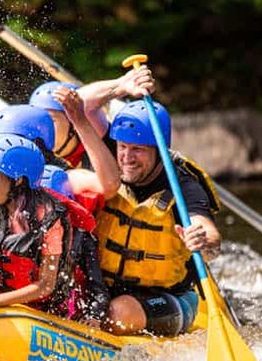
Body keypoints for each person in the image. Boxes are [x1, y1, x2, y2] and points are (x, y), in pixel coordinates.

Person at [94, 100, 222, 336]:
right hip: (107, 287)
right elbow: (82, 109)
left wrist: (201, 240)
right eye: (123, 147)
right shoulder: (109, 167)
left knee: (118, 314)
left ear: (159, 149)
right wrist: (121, 86)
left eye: (138, 150)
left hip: (169, 298)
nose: (127, 158)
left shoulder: (184, 186)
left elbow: (210, 237)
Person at [0, 135, 89, 322]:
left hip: (43, 312)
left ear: (18, 180)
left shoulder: (49, 221)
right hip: (1, 300)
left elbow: (46, 285)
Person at [29, 65, 155, 168]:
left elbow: (83, 101)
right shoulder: (40, 159)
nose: (43, 127)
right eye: (39, 120)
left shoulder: (94, 132)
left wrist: (121, 85)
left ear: (72, 121)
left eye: (51, 119)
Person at [40, 165, 109, 326]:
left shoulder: (82, 239)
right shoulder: (21, 232)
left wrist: (95, 316)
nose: (48, 215)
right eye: (42, 206)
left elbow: (98, 288)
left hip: (66, 309)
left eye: (55, 207)